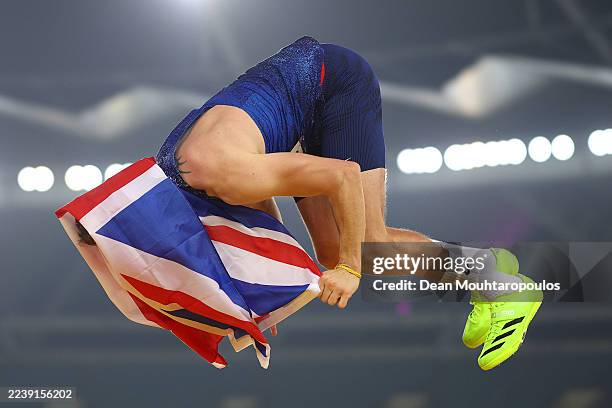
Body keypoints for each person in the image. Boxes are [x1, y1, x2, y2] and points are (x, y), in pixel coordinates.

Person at [155, 36, 542, 370]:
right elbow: (260, 219)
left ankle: (504, 287)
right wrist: (266, 295)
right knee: (330, 250)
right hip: (296, 105)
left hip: (334, 83)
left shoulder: (224, 176)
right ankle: (482, 266)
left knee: (365, 247)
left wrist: (351, 270)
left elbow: (343, 174)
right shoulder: (181, 172)